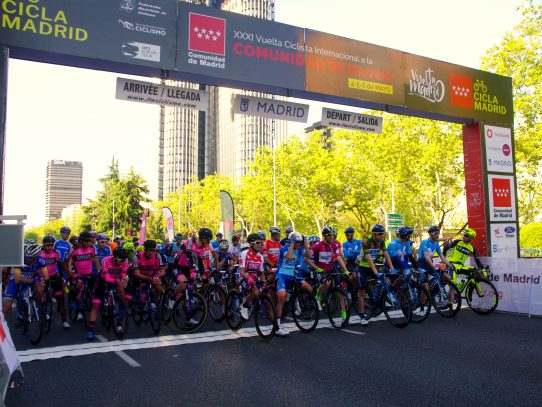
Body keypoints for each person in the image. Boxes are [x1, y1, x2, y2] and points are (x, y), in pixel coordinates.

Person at [87, 247, 130, 341]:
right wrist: (118, 281)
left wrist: (124, 279)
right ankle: (90, 330)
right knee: (96, 305)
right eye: (120, 260)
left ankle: (120, 319)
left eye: (124, 260)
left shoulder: (124, 260)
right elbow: (106, 278)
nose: (122, 262)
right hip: (103, 280)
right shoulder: (105, 260)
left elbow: (123, 274)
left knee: (123, 296)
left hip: (116, 280)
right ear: (114, 257)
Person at [275, 232, 313, 336]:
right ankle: (277, 327)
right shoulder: (284, 248)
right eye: (296, 242)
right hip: (282, 275)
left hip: (293, 276)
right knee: (282, 297)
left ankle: (297, 302)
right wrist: (292, 244)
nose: (298, 244)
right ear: (291, 241)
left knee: (308, 287)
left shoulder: (300, 249)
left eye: (299, 243)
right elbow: (288, 256)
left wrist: (305, 244)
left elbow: (309, 255)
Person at [357, 224, 396, 325]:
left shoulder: (381, 242)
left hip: (372, 266)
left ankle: (382, 300)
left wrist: (392, 268)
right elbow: (369, 259)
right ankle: (362, 316)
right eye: (380, 234)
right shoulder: (367, 242)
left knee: (386, 280)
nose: (382, 235)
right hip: (363, 267)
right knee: (362, 291)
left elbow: (386, 254)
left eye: (383, 233)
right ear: (374, 234)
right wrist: (376, 273)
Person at [310, 226, 349, 318]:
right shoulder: (317, 246)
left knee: (340, 292)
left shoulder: (334, 244)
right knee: (327, 283)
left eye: (332, 235)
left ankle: (344, 316)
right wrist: (315, 268)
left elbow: (339, 257)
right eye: (329, 235)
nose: (332, 237)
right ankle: (317, 297)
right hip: (319, 270)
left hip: (330, 269)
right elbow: (307, 259)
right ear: (324, 236)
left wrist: (346, 270)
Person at [3, 243, 49, 317]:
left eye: (31, 258)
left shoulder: (40, 260)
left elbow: (46, 276)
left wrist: (41, 280)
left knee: (41, 288)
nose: (28, 259)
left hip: (30, 279)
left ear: (36, 257)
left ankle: (39, 305)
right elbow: (17, 279)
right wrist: (34, 281)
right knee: (7, 306)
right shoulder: (19, 260)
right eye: (27, 257)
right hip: (15, 280)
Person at [67, 231, 102, 321]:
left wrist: (99, 270)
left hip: (89, 274)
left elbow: (95, 259)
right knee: (78, 286)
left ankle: (88, 303)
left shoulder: (92, 249)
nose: (88, 243)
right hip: (78, 275)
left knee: (93, 290)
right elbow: (69, 262)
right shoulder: (74, 250)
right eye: (86, 241)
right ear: (81, 241)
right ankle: (74, 302)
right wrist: (71, 272)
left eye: (90, 241)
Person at [39, 235, 70, 329]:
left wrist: (61, 278)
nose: (50, 247)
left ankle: (64, 320)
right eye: (48, 245)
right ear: (43, 245)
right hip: (42, 277)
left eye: (52, 245)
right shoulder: (39, 253)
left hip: (53, 276)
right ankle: (44, 313)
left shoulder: (56, 253)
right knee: (43, 298)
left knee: (60, 298)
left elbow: (60, 266)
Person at [238, 233, 266, 320]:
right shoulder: (244, 253)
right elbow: (242, 272)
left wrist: (264, 282)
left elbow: (261, 273)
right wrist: (249, 279)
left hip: (254, 279)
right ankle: (244, 306)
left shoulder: (260, 257)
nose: (260, 245)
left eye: (261, 243)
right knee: (256, 292)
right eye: (257, 243)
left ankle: (249, 301)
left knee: (263, 291)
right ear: (251, 244)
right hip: (244, 277)